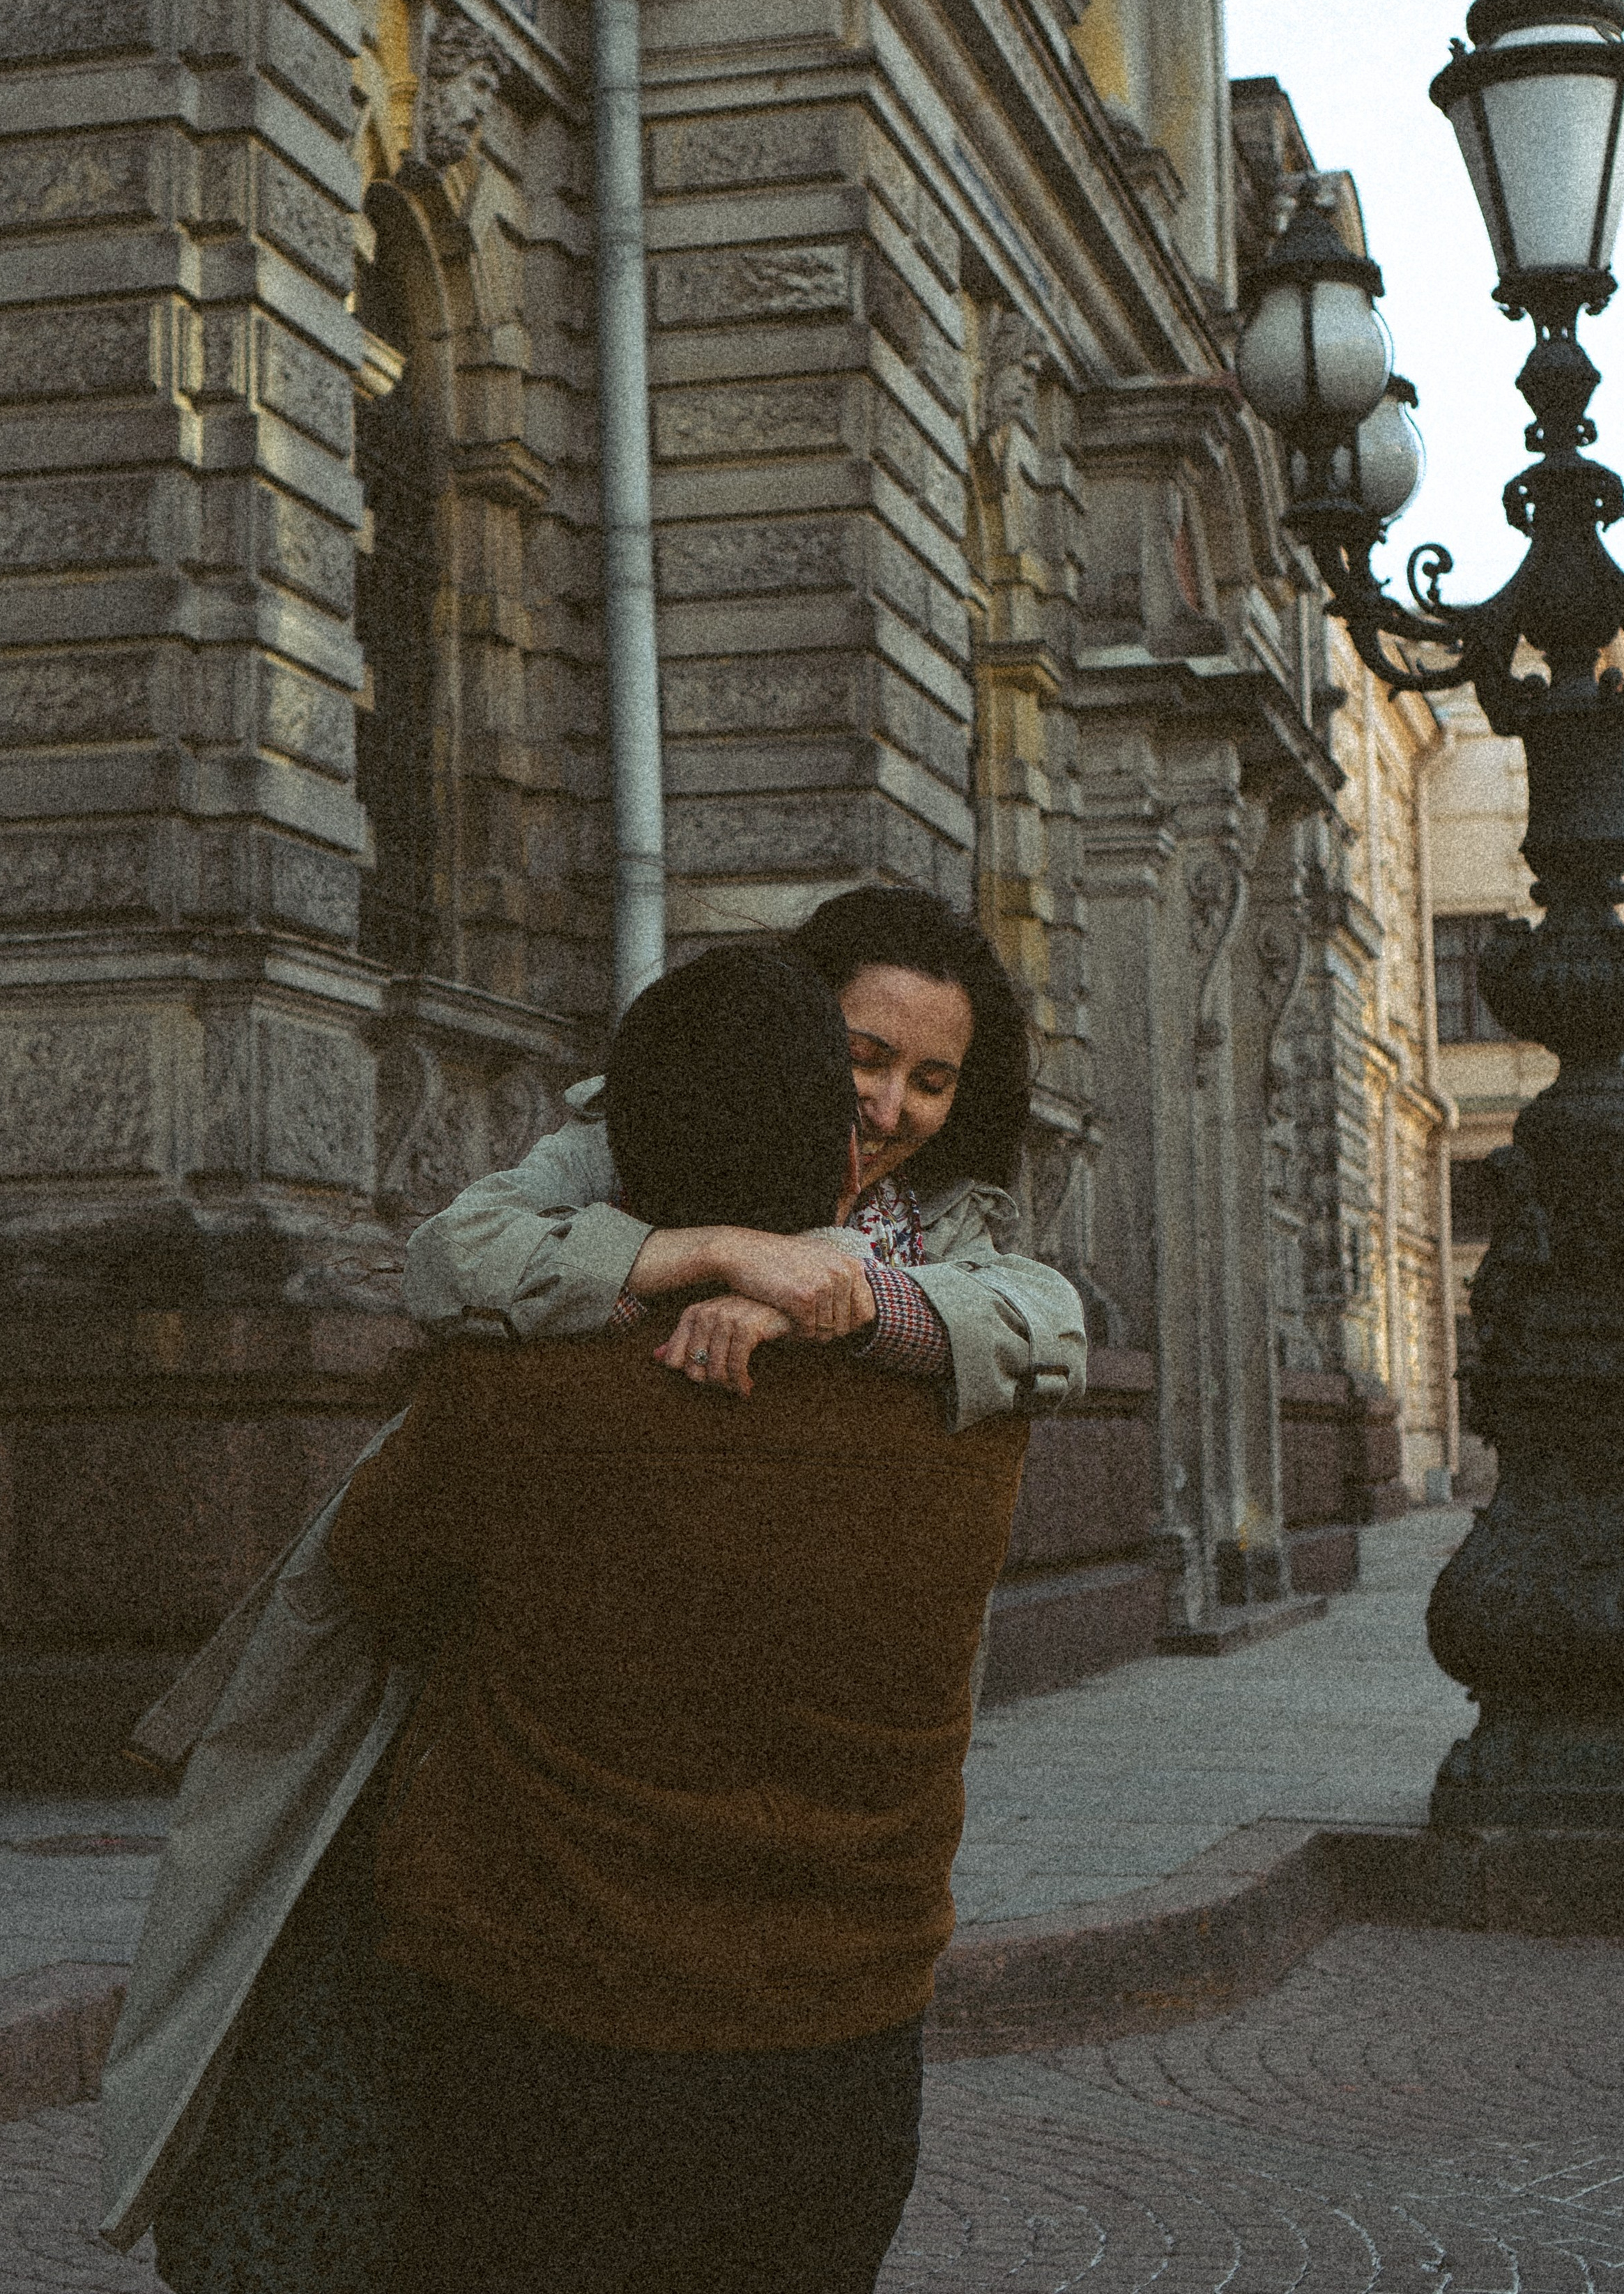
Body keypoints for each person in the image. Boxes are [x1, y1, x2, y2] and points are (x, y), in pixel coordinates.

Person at [325, 944, 1043, 2293]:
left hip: (535, 2017)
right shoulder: (969, 1433)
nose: (891, 1115)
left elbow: (376, 1586)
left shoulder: (505, 1406)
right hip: (842, 2042)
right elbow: (1023, 1321)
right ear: (834, 1153)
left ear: (626, 1145)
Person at [404, 883, 1085, 1422]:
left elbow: (1047, 1328)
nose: (887, 1108)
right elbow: (454, 1256)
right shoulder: (627, 1137)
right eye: (860, 1059)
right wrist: (721, 1251)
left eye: (931, 1083)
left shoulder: (931, 1207)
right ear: (794, 1019)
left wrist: (829, 1296)